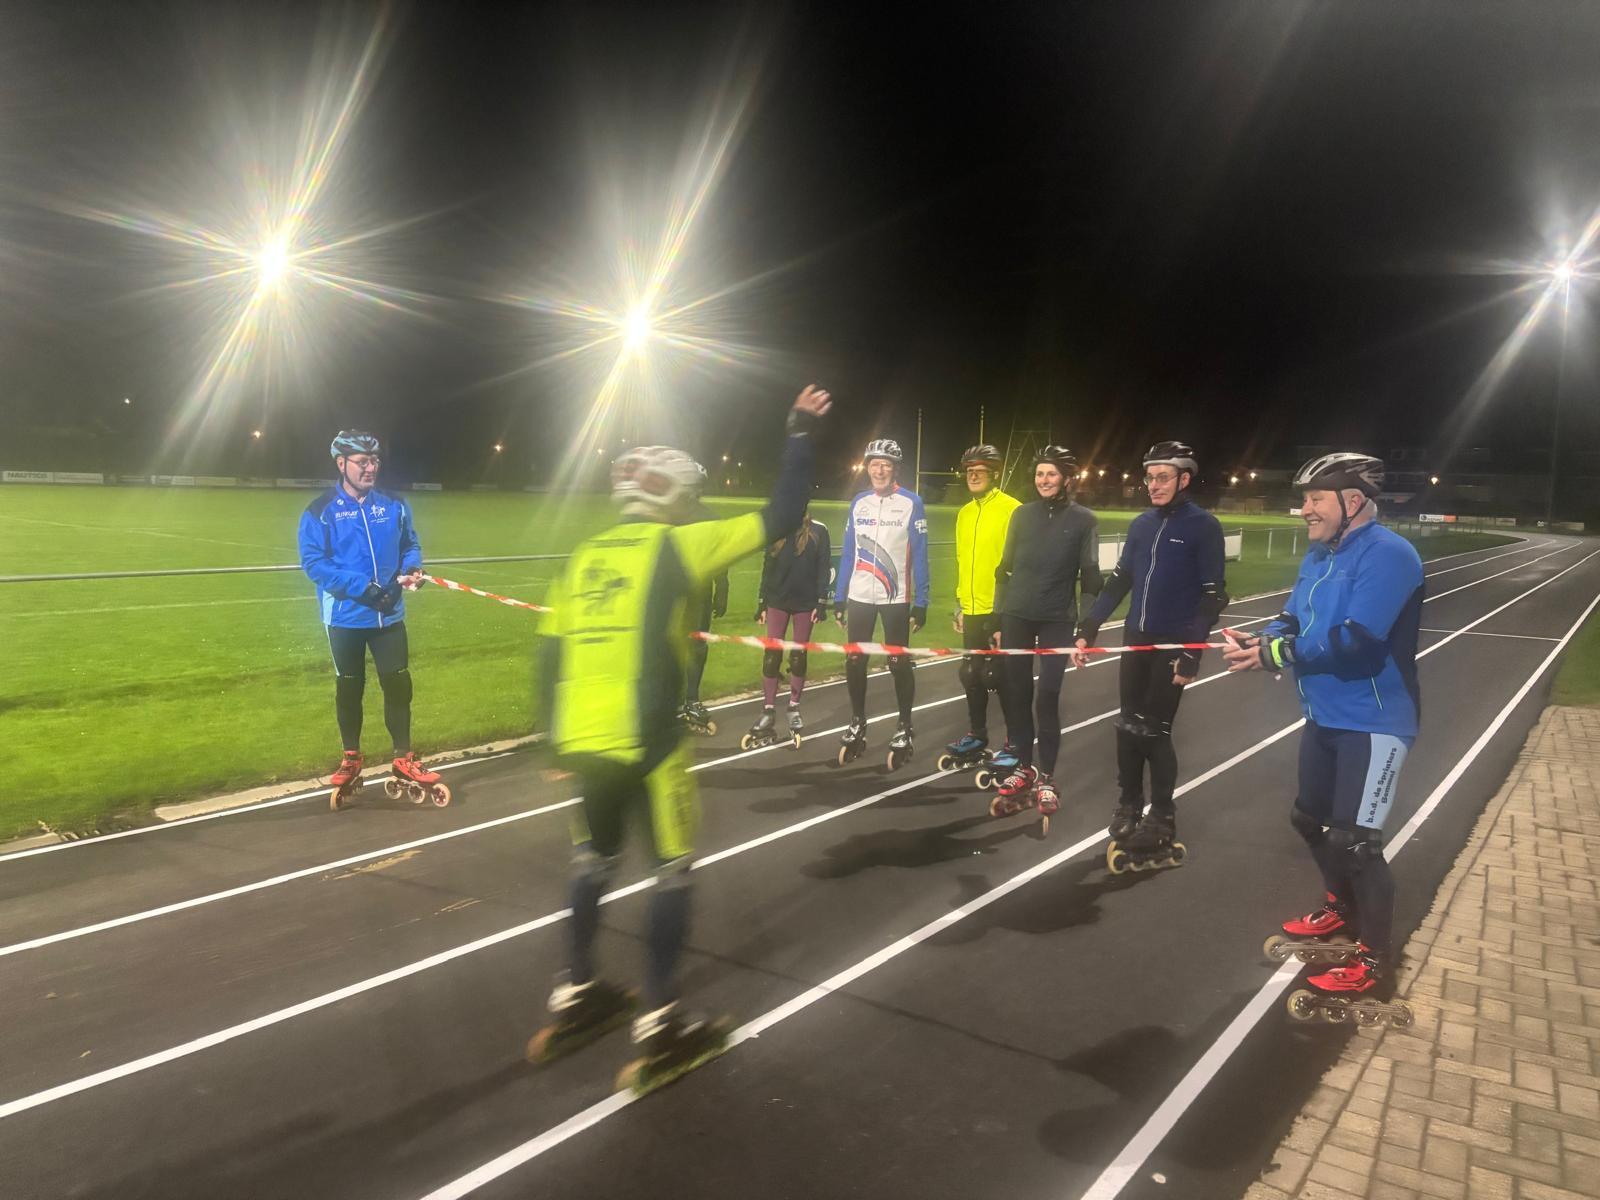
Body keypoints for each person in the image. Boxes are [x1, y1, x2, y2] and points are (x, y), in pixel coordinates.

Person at [533, 384, 831, 1087]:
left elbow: (548, 653)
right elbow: (784, 514)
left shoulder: (582, 555)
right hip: (649, 737)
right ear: (670, 497)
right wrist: (799, 433)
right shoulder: (678, 545)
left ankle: (575, 991)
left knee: (592, 862)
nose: (694, 508)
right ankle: (662, 1024)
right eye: (690, 498)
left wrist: (553, 740)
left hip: (583, 739)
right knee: (672, 872)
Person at [1222, 452, 1422, 1007]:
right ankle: (1342, 906)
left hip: (1375, 720)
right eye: (1305, 498)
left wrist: (1279, 654)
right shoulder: (1319, 553)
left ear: (1352, 501)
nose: (1305, 508)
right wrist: (1265, 638)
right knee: (1309, 820)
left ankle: (1376, 961)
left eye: (1315, 498)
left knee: (1356, 843)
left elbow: (1357, 639)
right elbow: (1291, 617)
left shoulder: (1389, 555)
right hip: (1325, 715)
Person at [1073, 441, 1227, 864]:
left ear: (1184, 479)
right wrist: (1089, 625)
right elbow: (1120, 580)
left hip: (1173, 642)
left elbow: (1213, 596)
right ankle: (1129, 804)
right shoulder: (1142, 524)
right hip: (1136, 638)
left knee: (1154, 731)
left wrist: (1192, 652)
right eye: (1150, 477)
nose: (1154, 485)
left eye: (1163, 477)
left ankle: (1162, 817)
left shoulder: (1204, 526)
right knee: (1127, 725)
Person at [297, 430, 447, 806]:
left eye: (375, 461)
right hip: (345, 616)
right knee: (350, 687)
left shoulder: (394, 505)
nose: (370, 468)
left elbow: (410, 543)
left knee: (398, 685)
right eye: (362, 461)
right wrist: (361, 587)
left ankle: (403, 757)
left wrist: (412, 568)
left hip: (390, 614)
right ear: (341, 464)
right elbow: (314, 564)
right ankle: (351, 756)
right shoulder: (319, 511)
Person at [990, 445, 1101, 819]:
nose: (1044, 480)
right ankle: (1024, 767)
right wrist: (997, 619)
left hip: (1057, 619)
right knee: (1018, 694)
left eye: (1051, 474)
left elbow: (1091, 577)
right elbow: (1004, 568)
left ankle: (1048, 778)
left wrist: (1086, 630)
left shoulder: (1084, 520)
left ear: (1067, 478)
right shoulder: (1022, 515)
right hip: (1016, 617)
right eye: (1039, 474)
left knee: (1047, 697)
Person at [833, 438, 930, 769]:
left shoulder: (911, 502)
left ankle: (904, 725)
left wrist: (922, 601)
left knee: (898, 663)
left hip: (896, 597)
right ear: (867, 467)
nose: (879, 470)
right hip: (860, 594)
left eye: (886, 464)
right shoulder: (859, 502)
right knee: (854, 661)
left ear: (895, 469)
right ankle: (857, 721)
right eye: (874, 464)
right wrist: (839, 596)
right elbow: (848, 552)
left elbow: (920, 555)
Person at [942, 444, 1022, 777]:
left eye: (980, 471)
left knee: (1000, 678)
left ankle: (1015, 743)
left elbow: (1018, 565)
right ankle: (977, 735)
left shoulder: (1013, 510)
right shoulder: (964, 513)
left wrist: (1004, 615)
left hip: (1000, 610)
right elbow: (963, 562)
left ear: (995, 474)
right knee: (971, 674)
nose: (973, 476)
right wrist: (959, 604)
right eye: (969, 471)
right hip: (972, 608)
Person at [748, 504, 831, 746]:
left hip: (805, 603)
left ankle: (794, 707)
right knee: (772, 655)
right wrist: (762, 602)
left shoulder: (819, 531)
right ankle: (768, 709)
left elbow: (824, 567)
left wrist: (821, 602)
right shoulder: (778, 530)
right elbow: (768, 566)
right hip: (777, 600)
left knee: (798, 655)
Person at [677, 464, 730, 736]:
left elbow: (719, 557)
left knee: (693, 647)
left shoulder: (707, 518)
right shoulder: (668, 518)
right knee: (689, 647)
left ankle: (689, 699)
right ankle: (686, 699)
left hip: (694, 595)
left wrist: (722, 588)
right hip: (682, 595)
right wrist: (722, 588)